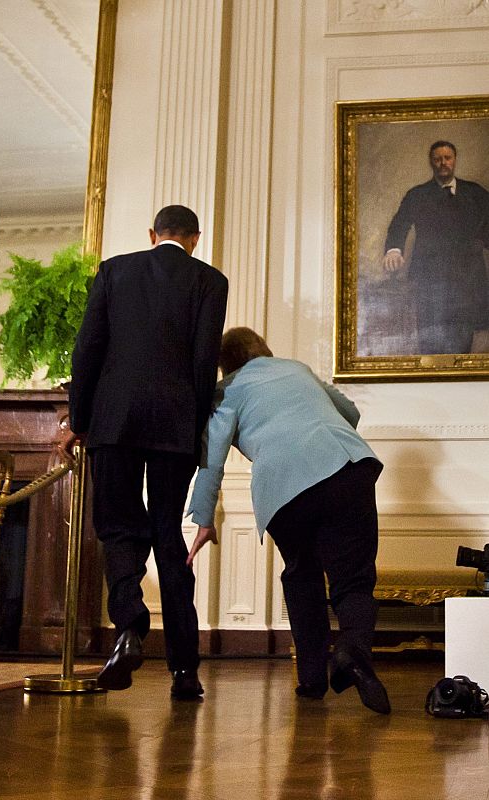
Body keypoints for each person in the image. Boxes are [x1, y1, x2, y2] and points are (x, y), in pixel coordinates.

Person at [186, 327, 390, 714]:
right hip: (346, 466)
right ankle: (351, 650)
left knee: (301, 575)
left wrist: (204, 517)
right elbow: (350, 412)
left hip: (282, 487)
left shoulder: (227, 390)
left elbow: (212, 456)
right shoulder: (296, 368)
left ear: (225, 364)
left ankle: (311, 680)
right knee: (354, 579)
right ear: (263, 348)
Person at [68, 205, 228, 699]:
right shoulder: (210, 281)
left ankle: (130, 625)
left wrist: (80, 421)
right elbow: (204, 362)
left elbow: (86, 350)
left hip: (113, 421)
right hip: (174, 426)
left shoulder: (114, 271)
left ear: (152, 234)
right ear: (195, 239)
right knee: (167, 536)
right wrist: (194, 430)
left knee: (117, 527)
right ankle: (185, 673)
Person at [383, 140, 489, 354]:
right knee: (430, 342)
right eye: (437, 159)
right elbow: (400, 223)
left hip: (467, 280)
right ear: (431, 162)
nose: (443, 163)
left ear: (454, 160)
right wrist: (394, 249)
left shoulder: (476, 193)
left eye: (447, 158)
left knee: (462, 341)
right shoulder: (417, 194)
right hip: (430, 280)